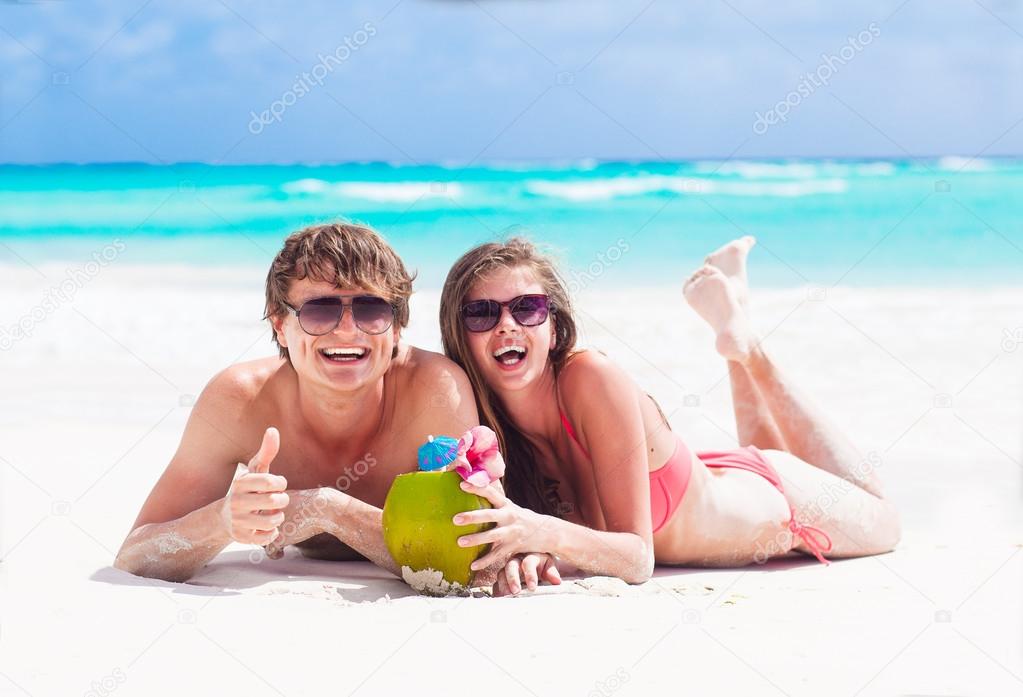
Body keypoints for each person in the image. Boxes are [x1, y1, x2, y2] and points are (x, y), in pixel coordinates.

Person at [440, 236, 900, 595]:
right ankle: (735, 326)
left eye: (527, 308)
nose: (507, 324)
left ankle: (752, 352)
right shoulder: (483, 424)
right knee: (764, 446)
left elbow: (638, 558)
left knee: (884, 517)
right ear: (459, 335)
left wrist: (539, 531)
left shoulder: (590, 377)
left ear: (555, 326)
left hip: (783, 501)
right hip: (719, 483)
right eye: (480, 313)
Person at [114, 222, 478, 582]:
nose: (348, 330)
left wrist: (328, 509)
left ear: (396, 327)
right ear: (279, 326)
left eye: (371, 309)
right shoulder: (240, 401)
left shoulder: (435, 390)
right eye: (319, 310)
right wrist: (221, 521)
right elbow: (135, 557)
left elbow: (467, 560)